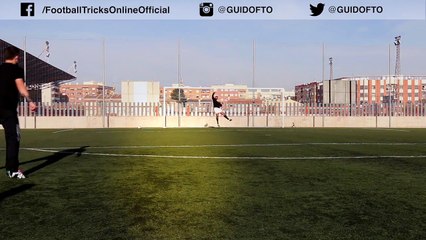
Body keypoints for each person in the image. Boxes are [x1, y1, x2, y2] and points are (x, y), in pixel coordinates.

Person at [0, 46, 37, 179]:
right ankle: (12, 170)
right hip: (8, 110)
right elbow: (21, 88)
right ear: (16, 56)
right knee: (13, 140)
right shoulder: (17, 70)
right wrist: (30, 101)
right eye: (19, 56)